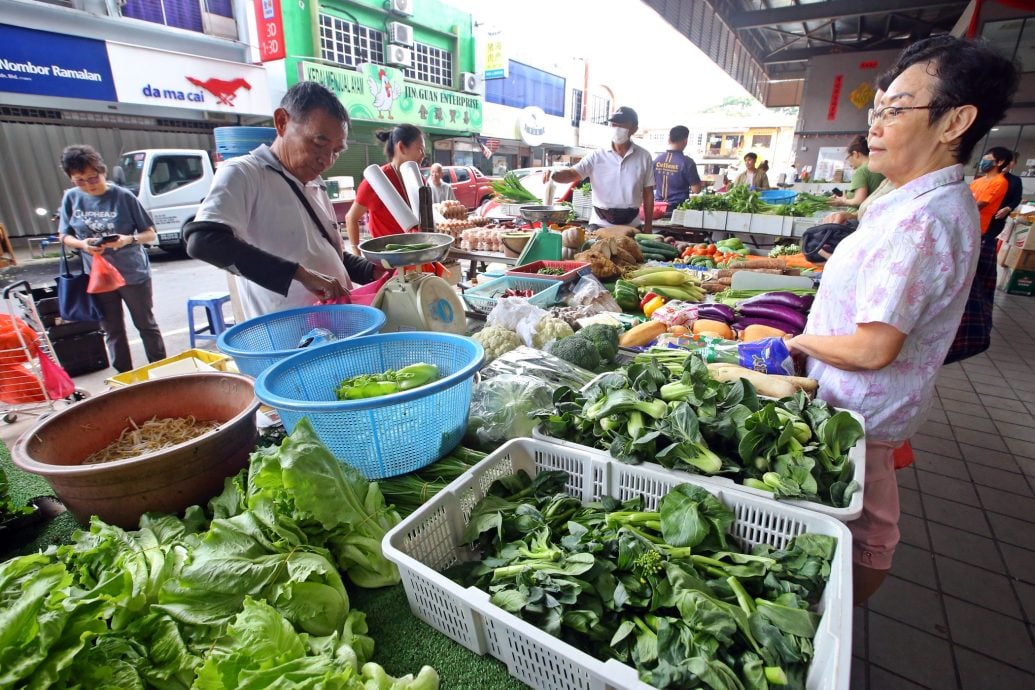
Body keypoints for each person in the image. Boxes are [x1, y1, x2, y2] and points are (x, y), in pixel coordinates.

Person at [786, 35, 1019, 605]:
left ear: (954, 122)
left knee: (869, 533)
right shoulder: (918, 202)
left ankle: (833, 624)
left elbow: (873, 350)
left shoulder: (923, 221)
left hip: (860, 415)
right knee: (860, 523)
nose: (878, 124)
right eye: (879, 108)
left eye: (896, 108)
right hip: (853, 408)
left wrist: (797, 339)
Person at [185, 81, 354, 319]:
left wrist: (373, 270)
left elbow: (328, 251)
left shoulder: (316, 183)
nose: (326, 159)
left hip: (334, 325)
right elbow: (203, 240)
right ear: (282, 122)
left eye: (336, 151)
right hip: (286, 337)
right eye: (318, 143)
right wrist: (301, 274)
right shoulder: (245, 173)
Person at [58, 144, 167, 373]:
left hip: (131, 274)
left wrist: (127, 240)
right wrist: (82, 244)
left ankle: (161, 371)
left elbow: (150, 233)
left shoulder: (123, 196)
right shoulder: (71, 198)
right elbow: (64, 235)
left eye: (93, 178)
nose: (88, 185)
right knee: (112, 329)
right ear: (71, 179)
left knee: (146, 325)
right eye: (79, 180)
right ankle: (124, 378)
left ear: (103, 171)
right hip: (98, 277)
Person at [545, 106, 655, 232]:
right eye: (614, 124)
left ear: (634, 128)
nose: (617, 128)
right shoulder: (596, 156)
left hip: (632, 225)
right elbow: (572, 173)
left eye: (622, 125)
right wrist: (554, 174)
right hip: (600, 225)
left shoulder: (643, 156)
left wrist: (648, 225)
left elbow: (648, 193)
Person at [345, 124, 427, 254]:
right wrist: (357, 254)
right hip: (387, 260)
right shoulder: (376, 181)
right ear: (401, 147)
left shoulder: (419, 179)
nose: (423, 155)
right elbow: (351, 218)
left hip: (417, 255)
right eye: (420, 149)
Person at [652, 125, 701, 208]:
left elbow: (652, 185)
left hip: (658, 207)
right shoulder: (687, 162)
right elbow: (696, 190)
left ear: (669, 140)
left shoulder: (657, 160)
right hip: (679, 208)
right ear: (685, 141)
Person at [830, 135, 884, 209]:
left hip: (860, 217)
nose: (849, 163)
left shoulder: (861, 171)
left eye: (848, 157)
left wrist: (843, 201)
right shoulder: (880, 167)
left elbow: (859, 201)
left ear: (855, 154)